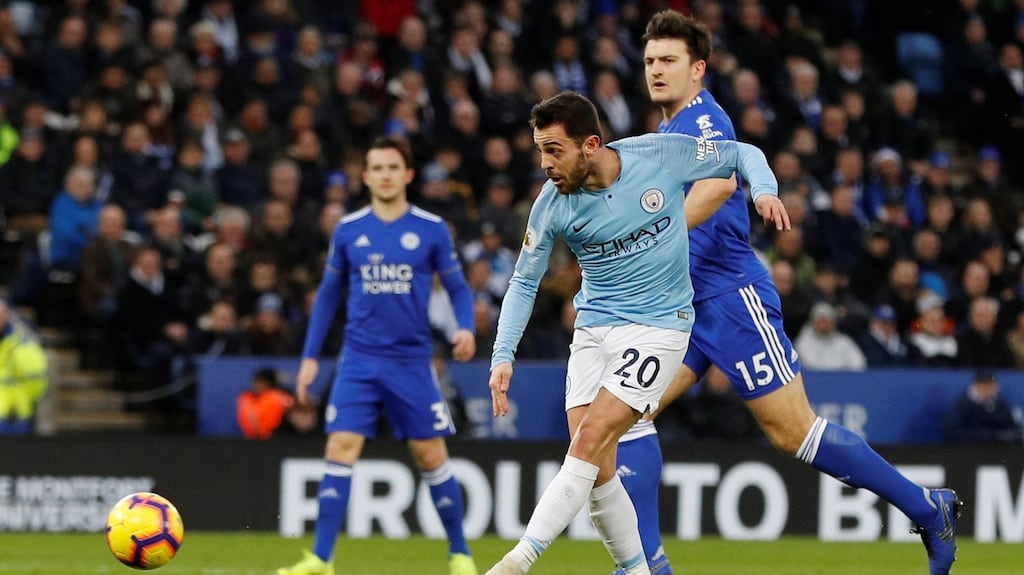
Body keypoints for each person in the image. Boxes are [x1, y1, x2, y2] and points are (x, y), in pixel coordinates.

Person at [611, 11, 962, 575]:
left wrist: (649, 235)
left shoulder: (703, 121)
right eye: (650, 60)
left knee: (793, 431)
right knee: (625, 415)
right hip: (682, 305)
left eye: (669, 60)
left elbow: (719, 183)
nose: (656, 69)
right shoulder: (666, 128)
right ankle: (647, 564)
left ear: (697, 69)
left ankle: (926, 508)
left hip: (730, 299)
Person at [485, 91, 785, 575]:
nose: (545, 164)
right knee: (598, 472)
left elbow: (742, 153)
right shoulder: (552, 204)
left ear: (591, 144)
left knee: (588, 441)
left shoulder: (657, 155)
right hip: (593, 331)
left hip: (658, 328)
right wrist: (503, 354)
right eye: (540, 151)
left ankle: (517, 561)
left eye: (554, 150)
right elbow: (523, 281)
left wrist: (764, 190)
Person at [277, 136, 479, 575]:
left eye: (393, 168)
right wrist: (310, 357)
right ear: (366, 177)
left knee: (430, 455)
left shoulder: (431, 229)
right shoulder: (349, 229)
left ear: (407, 175)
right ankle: (321, 558)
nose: (385, 175)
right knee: (340, 446)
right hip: (359, 360)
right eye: (377, 168)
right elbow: (327, 296)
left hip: (411, 362)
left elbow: (459, 288)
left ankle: (460, 553)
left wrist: (465, 326)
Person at [0, 298, 49, 434]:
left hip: (13, 418)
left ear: (6, 316)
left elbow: (37, 382)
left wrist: (17, 404)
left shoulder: (22, 346)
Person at [942, 370, 1024, 444]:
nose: (988, 390)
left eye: (992, 385)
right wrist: (989, 436)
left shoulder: (1000, 403)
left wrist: (1007, 435)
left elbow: (1014, 428)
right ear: (975, 385)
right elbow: (951, 432)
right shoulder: (963, 405)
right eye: (984, 386)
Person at [236, 367, 295, 440]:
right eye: (257, 382)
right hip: (252, 439)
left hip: (278, 438)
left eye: (262, 382)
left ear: (271, 383)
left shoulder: (281, 396)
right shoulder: (247, 398)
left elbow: (293, 411)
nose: (258, 385)